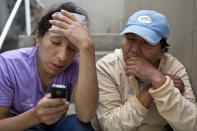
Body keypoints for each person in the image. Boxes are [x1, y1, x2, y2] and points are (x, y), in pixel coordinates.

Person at [91, 10, 197, 131]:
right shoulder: (107, 67)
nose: (135, 50)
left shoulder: (173, 67)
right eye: (130, 39)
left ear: (162, 50)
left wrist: (160, 83)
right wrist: (157, 84)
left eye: (146, 43)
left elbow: (192, 125)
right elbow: (110, 126)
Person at [0, 2, 98, 131]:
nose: (62, 57)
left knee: (78, 125)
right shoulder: (8, 64)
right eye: (55, 42)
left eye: (72, 48)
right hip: (19, 126)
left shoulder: (76, 65)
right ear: (38, 38)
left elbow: (86, 115)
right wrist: (35, 116)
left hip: (55, 126)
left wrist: (87, 48)